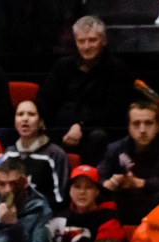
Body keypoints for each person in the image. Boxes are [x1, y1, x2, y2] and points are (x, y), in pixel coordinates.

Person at [39, 14, 134, 162]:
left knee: (98, 137)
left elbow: (114, 110)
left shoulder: (117, 69)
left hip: (96, 130)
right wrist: (40, 117)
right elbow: (46, 97)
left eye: (92, 40)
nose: (86, 46)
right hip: (61, 129)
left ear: (103, 40)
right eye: (81, 41)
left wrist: (81, 126)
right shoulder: (63, 65)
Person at [100, 96, 159, 228]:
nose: (142, 130)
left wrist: (142, 183)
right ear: (129, 127)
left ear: (158, 126)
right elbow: (100, 175)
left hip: (156, 205)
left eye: (148, 123)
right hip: (126, 202)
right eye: (136, 124)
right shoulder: (115, 148)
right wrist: (109, 183)